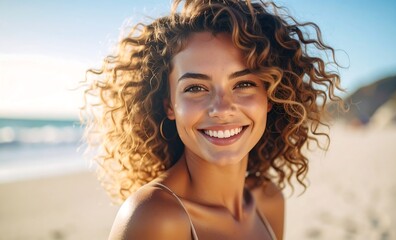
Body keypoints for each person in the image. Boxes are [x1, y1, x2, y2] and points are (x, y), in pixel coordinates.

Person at [82, 0, 343, 239]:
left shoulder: (269, 200)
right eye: (195, 88)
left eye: (243, 83)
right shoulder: (155, 217)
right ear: (169, 105)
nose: (222, 108)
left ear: (270, 96)